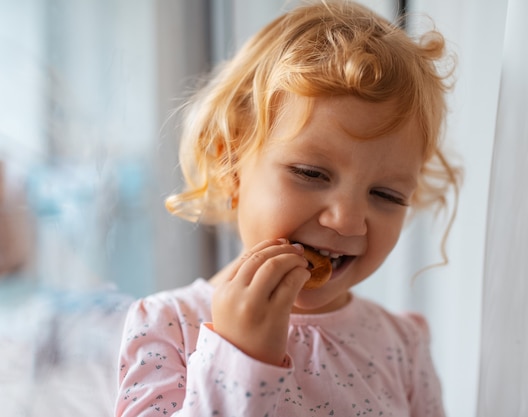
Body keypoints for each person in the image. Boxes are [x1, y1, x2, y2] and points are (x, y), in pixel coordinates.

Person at [115, 1, 461, 416]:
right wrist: (240, 358)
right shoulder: (168, 327)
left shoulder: (402, 345)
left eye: (385, 195)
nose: (347, 220)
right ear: (231, 165)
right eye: (311, 173)